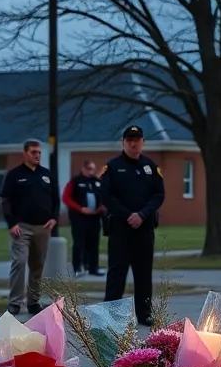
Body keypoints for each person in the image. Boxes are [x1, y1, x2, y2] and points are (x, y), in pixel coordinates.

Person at [100, 126, 165, 325]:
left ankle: (144, 314)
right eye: (129, 140)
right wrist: (128, 215)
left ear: (143, 142)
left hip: (144, 228)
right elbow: (106, 196)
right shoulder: (112, 167)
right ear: (123, 142)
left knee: (144, 273)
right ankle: (110, 314)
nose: (133, 144)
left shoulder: (150, 167)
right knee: (117, 273)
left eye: (136, 140)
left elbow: (159, 194)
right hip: (121, 228)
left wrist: (142, 214)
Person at [1, 139, 58, 315]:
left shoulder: (46, 174)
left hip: (43, 227)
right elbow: (5, 200)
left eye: (39, 152)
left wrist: (54, 218)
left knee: (37, 265)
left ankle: (33, 301)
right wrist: (11, 223)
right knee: (19, 262)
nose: (37, 155)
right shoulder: (14, 175)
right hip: (22, 227)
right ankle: (15, 302)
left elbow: (55, 199)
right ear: (25, 153)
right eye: (34, 152)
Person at [63, 160, 103, 276]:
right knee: (79, 243)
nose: (91, 171)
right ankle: (77, 268)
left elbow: (104, 196)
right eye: (89, 169)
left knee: (94, 243)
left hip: (94, 217)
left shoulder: (97, 182)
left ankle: (93, 267)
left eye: (93, 169)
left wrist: (100, 207)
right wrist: (81, 209)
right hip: (79, 218)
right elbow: (66, 198)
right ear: (83, 169)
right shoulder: (75, 182)